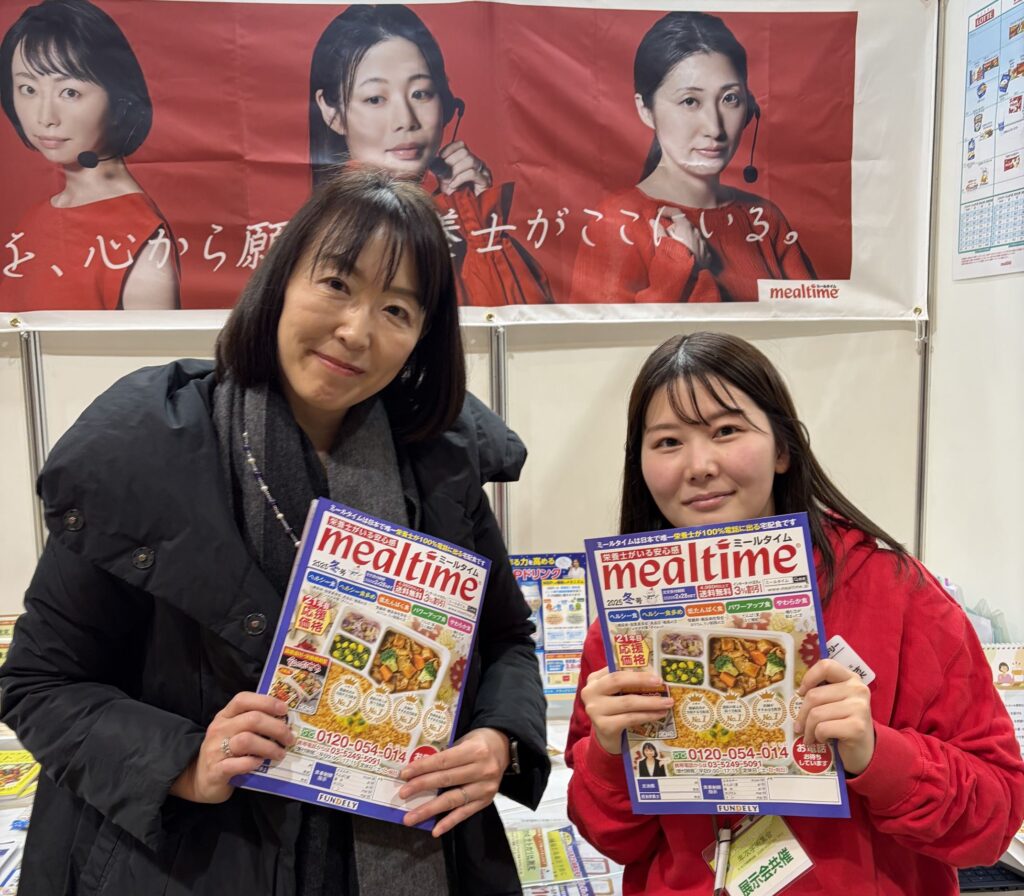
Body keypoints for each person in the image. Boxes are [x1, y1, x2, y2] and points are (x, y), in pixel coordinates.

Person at [0, 167, 549, 895]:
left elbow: (506, 639)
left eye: (397, 309)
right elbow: (41, 682)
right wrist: (184, 761)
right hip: (193, 862)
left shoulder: (440, 461)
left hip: (411, 843)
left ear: (422, 337)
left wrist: (498, 737)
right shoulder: (143, 449)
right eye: (337, 283)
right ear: (281, 279)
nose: (356, 330)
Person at [565, 332, 1024, 894]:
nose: (699, 465)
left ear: (782, 449)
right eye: (667, 442)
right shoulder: (625, 628)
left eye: (726, 430)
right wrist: (607, 754)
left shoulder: (898, 593)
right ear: (640, 464)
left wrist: (878, 754)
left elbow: (995, 820)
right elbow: (612, 839)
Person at [308, 3, 551, 307]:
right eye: (375, 99)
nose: (406, 120)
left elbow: (523, 324)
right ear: (332, 113)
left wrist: (475, 217)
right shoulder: (330, 235)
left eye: (420, 93)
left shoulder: (459, 216)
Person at [570, 13, 815, 304]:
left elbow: (816, 320)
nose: (714, 128)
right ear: (646, 110)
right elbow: (604, 332)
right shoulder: (617, 221)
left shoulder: (764, 218)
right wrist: (678, 269)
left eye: (730, 98)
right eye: (690, 101)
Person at [0, 0, 179, 311]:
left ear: (120, 99)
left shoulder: (141, 239)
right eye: (28, 89)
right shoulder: (35, 219)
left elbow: (155, 346)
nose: (44, 117)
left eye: (70, 92)